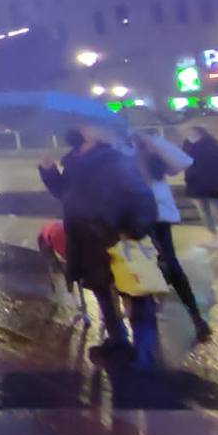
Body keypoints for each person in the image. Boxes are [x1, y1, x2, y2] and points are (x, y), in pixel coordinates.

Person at [45, 124, 159, 367]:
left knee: (134, 291)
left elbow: (141, 196)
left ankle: (144, 351)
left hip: (116, 235)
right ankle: (118, 340)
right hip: (86, 238)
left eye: (87, 124)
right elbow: (65, 194)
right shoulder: (74, 161)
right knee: (102, 291)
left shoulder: (112, 160)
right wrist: (49, 172)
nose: (82, 128)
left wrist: (134, 229)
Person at [133, 132, 212, 342]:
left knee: (169, 265)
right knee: (148, 266)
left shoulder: (149, 149)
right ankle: (153, 313)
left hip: (159, 217)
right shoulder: (121, 151)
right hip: (136, 217)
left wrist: (152, 141)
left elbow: (183, 161)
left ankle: (196, 317)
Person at [182, 126, 218, 247]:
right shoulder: (187, 145)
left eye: (193, 132)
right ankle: (213, 237)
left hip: (214, 184)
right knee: (204, 213)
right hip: (196, 185)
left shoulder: (212, 146)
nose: (190, 134)